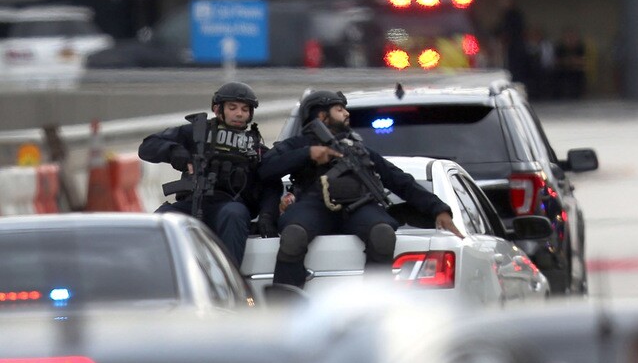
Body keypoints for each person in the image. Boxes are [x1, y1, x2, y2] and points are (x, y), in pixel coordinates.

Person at [258, 90, 463, 288]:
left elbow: (399, 180)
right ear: (322, 116)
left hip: (359, 207)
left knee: (382, 234)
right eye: (339, 109)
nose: (347, 113)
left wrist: (438, 209)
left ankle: (373, 298)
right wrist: (307, 153)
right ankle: (285, 302)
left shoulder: (358, 148)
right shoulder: (297, 144)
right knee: (293, 236)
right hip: (313, 206)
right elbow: (265, 170)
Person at [138, 82, 282, 267]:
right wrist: (177, 153)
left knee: (234, 215)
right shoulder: (198, 132)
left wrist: (267, 216)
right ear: (217, 109)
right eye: (232, 108)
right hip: (192, 203)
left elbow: (271, 185)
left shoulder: (256, 149)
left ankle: (230, 284)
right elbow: (148, 146)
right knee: (159, 223)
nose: (239, 114)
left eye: (245, 109)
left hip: (229, 206)